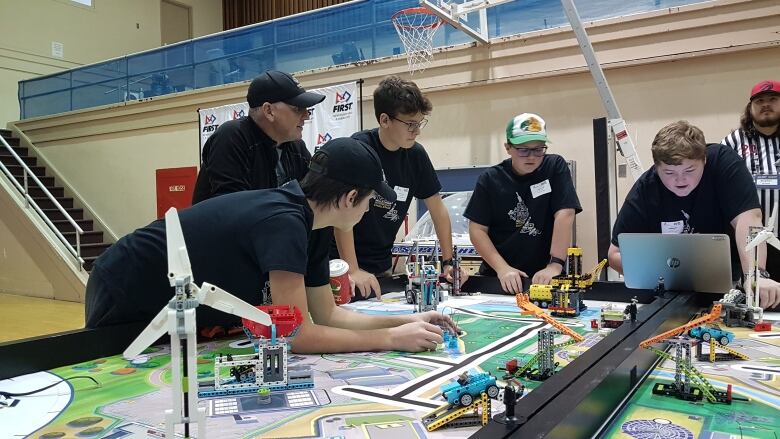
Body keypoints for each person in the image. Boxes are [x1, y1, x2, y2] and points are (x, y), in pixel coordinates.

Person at [85, 137, 458, 354]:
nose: (368, 211)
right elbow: (295, 335)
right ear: (349, 198)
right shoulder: (284, 221)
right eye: (368, 202)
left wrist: (408, 320)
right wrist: (390, 339)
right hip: (126, 285)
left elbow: (327, 315)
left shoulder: (314, 225)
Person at [608, 120, 780, 309]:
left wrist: (756, 275)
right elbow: (615, 254)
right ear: (656, 167)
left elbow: (749, 219)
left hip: (731, 280)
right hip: (670, 291)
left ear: (704, 160)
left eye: (689, 170)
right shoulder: (646, 188)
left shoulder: (723, 162)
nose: (680, 180)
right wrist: (662, 276)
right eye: (669, 172)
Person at [331, 75, 467, 299]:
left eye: (419, 123)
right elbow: (341, 215)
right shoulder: (360, 149)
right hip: (343, 265)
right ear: (384, 120)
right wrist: (352, 269)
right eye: (410, 124)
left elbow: (438, 210)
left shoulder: (416, 155)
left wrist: (448, 262)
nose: (417, 131)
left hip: (380, 265)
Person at [464, 113, 581, 294]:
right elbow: (477, 230)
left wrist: (555, 265)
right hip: (498, 277)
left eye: (538, 149)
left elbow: (565, 213)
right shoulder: (490, 179)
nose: (531, 157)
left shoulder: (554, 166)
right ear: (508, 147)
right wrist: (502, 268)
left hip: (546, 275)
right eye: (523, 149)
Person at [192, 70, 326, 203]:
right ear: (269, 111)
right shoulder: (232, 137)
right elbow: (231, 210)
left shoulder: (297, 147)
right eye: (298, 108)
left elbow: (311, 199)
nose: (307, 115)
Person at [721, 80, 780, 278]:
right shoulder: (733, 141)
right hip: (746, 242)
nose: (766, 104)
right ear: (750, 107)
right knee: (753, 296)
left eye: (773, 99)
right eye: (759, 100)